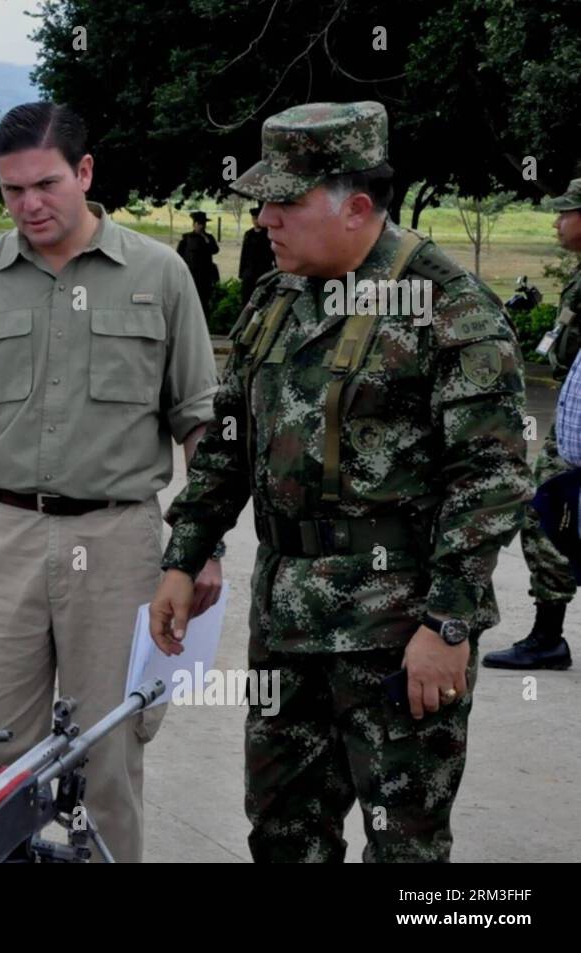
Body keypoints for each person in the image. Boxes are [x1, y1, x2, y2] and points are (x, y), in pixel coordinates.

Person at [151, 101, 532, 862]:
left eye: (284, 201)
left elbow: (489, 480)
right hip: (287, 622)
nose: (263, 217)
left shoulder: (448, 309)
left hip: (397, 633)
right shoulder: (276, 300)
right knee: (284, 832)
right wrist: (183, 554)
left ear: (356, 206)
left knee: (404, 848)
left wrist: (448, 626)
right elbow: (230, 440)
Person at [0, 102, 221, 862]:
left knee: (106, 758)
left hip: (118, 541)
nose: (28, 205)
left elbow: (199, 421)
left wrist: (199, 543)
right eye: (11, 191)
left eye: (45, 184)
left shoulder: (159, 274)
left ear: (85, 173)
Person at [485, 175, 581, 670]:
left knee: (546, 521)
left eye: (566, 211)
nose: (557, 221)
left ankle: (548, 639)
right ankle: (548, 637)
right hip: (570, 429)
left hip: (576, 439)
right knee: (547, 520)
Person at [176, 210, 220, 318]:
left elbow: (215, 250)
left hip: (205, 275)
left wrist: (205, 239)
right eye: (199, 224)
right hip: (191, 274)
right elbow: (179, 255)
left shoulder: (209, 238)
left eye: (203, 224)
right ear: (194, 224)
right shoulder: (186, 238)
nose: (201, 226)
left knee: (204, 300)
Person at [238, 205, 276, 306]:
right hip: (249, 272)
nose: (255, 221)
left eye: (257, 218)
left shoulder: (268, 234)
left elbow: (273, 252)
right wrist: (242, 272)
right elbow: (244, 254)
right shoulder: (248, 234)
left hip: (263, 270)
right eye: (254, 218)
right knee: (246, 298)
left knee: (263, 298)